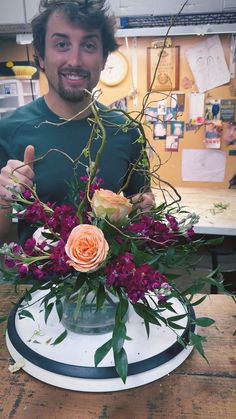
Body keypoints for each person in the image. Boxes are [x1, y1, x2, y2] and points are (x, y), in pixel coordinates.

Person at [0, 0, 154, 245]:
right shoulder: (7, 131)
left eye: (89, 45)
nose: (75, 59)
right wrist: (3, 199)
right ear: (40, 56)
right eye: (61, 44)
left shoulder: (127, 131)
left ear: (104, 59)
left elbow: (142, 201)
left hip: (109, 282)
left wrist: (145, 208)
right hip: (39, 282)